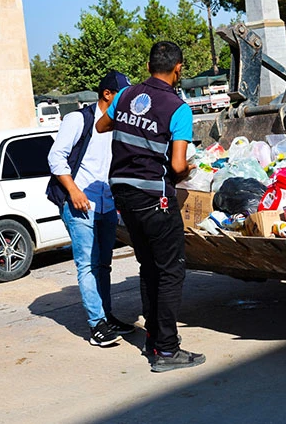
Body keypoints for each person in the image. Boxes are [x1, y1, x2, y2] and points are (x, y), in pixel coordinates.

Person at [95, 41, 205, 372]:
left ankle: (154, 341)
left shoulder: (125, 96)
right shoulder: (178, 108)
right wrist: (190, 169)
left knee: (149, 267)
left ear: (147, 66)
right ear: (178, 69)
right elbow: (176, 166)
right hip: (154, 196)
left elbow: (101, 125)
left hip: (123, 194)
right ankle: (168, 351)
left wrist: (128, 121)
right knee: (171, 270)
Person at [46, 71, 135, 347]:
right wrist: (74, 191)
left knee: (103, 264)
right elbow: (55, 157)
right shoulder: (78, 119)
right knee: (86, 264)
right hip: (79, 203)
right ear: (107, 94)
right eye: (122, 94)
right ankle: (96, 325)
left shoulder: (118, 125)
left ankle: (107, 316)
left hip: (106, 203)